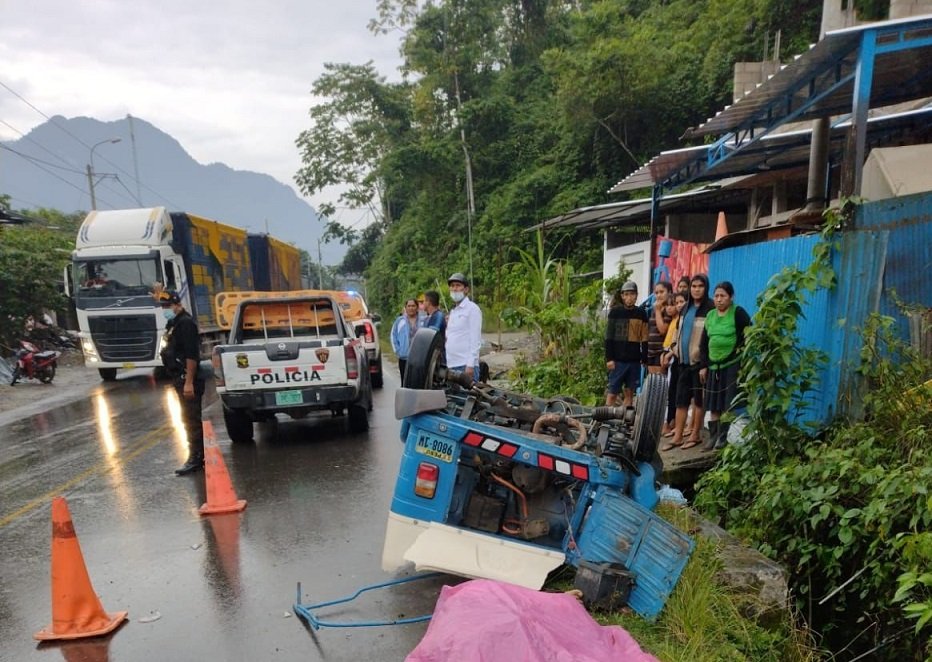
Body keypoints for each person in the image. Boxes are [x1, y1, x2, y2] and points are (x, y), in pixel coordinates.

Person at [158, 290, 206, 475]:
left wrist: (189, 381)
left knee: (191, 419)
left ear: (177, 304)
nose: (165, 309)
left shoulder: (186, 324)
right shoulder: (174, 323)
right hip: (179, 376)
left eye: (168, 306)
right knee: (187, 418)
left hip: (188, 378)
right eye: (162, 306)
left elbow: (191, 355)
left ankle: (196, 457)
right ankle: (196, 455)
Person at [699, 281, 752, 451]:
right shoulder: (711, 316)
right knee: (713, 403)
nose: (719, 299)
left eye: (723, 296)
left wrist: (740, 356)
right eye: (716, 296)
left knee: (727, 403)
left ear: (731, 297)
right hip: (713, 366)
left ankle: (723, 437)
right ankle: (713, 437)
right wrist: (704, 365)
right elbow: (704, 343)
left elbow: (748, 335)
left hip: (731, 365)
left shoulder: (738, 313)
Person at [666, 274, 714, 450]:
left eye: (700, 286)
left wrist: (705, 364)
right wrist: (673, 349)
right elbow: (677, 331)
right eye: (694, 286)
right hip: (683, 362)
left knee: (699, 401)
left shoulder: (710, 309)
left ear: (705, 287)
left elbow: (710, 339)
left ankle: (695, 434)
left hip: (698, 364)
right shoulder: (685, 307)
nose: (696, 289)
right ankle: (677, 436)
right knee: (681, 400)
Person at [604, 281, 648, 407]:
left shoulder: (641, 314)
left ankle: (624, 420)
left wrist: (644, 357)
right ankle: (606, 420)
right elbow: (609, 337)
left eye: (632, 294)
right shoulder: (615, 312)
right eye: (626, 294)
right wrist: (610, 358)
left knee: (630, 392)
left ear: (636, 295)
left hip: (634, 360)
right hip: (618, 361)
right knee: (612, 392)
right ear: (622, 296)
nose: (629, 297)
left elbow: (644, 338)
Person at [660, 290, 687, 438]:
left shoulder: (681, 320)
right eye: (675, 303)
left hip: (675, 357)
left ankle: (669, 423)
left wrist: (668, 354)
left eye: (680, 302)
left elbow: (676, 343)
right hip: (669, 354)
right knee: (668, 391)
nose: (677, 306)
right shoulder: (674, 321)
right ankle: (668, 422)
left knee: (672, 392)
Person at [445, 273, 482, 382]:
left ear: (466, 289)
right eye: (452, 286)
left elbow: (475, 339)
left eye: (457, 285)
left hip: (465, 365)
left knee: (465, 398)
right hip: (451, 364)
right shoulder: (453, 312)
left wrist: (470, 365)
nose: (454, 289)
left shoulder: (472, 309)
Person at [391, 298, 421, 381]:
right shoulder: (399, 321)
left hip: (419, 359)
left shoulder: (423, 321)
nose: (411, 308)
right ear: (405, 308)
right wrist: (398, 351)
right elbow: (393, 336)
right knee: (404, 381)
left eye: (413, 306)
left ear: (417, 307)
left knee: (418, 382)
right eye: (409, 306)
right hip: (404, 358)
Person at [646, 281, 673, 375]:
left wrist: (658, 311)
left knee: (660, 383)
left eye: (662, 292)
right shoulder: (655, 308)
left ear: (669, 292)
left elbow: (663, 330)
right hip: (650, 352)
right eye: (656, 293)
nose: (659, 295)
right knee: (652, 383)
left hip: (660, 352)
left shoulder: (669, 310)